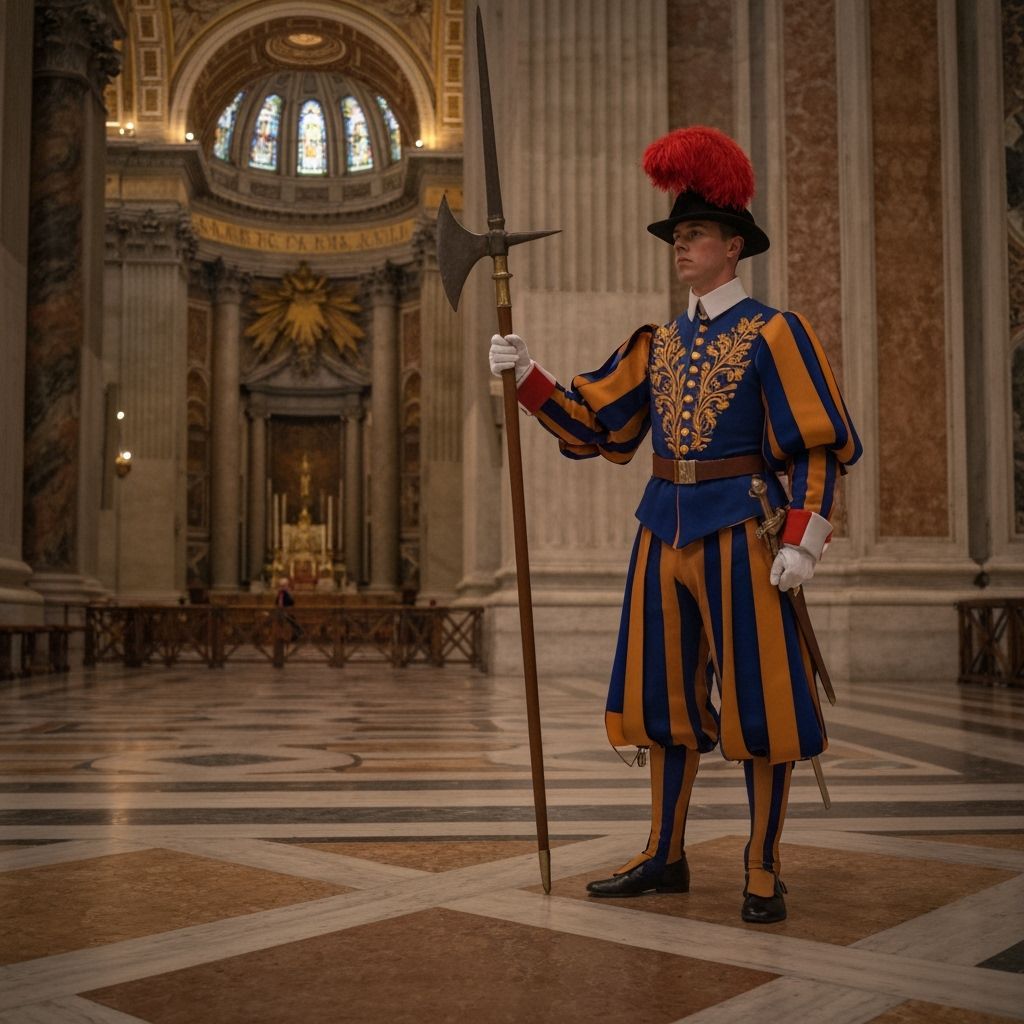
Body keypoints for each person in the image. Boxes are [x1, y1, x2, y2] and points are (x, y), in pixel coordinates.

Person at [489, 126, 861, 924]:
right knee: (661, 702)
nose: (680, 246)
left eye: (694, 234)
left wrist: (804, 537)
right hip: (661, 530)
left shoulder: (776, 332)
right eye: (677, 235)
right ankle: (664, 853)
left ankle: (762, 867)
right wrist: (529, 377)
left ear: (733, 246)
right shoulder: (656, 344)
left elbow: (816, 442)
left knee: (761, 704)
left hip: (745, 531)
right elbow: (600, 429)